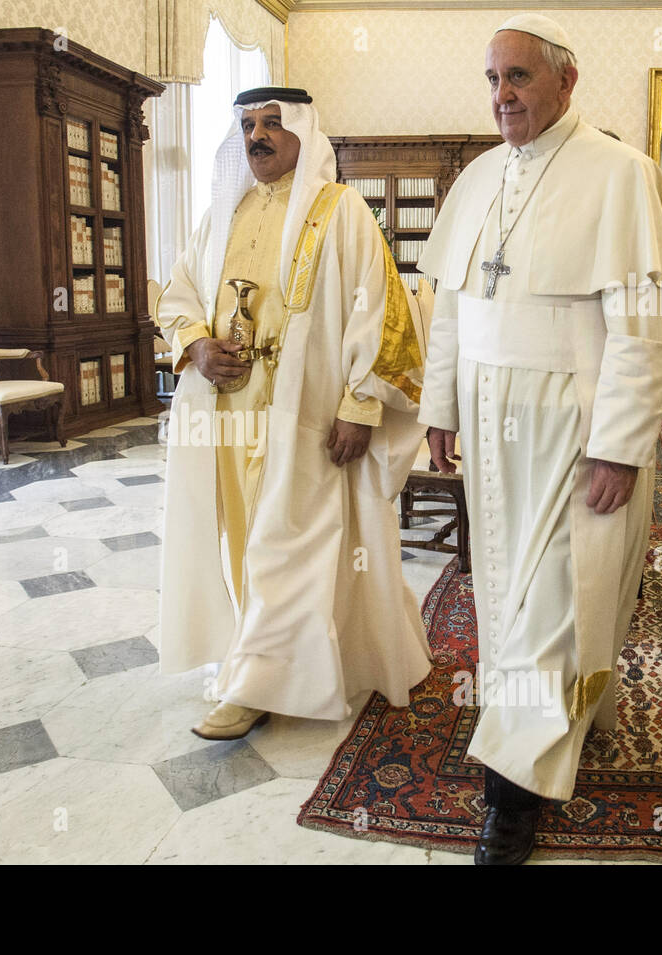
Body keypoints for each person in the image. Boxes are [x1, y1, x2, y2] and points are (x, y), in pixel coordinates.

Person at [417, 14, 662, 864]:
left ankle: (512, 792)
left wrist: (619, 443)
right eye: (493, 79)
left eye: (520, 78)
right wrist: (441, 406)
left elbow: (644, 327)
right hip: (491, 421)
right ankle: (544, 719)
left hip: (572, 423)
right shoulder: (477, 176)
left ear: (567, 82)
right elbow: (455, 304)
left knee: (557, 594)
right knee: (507, 596)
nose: (502, 95)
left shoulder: (622, 174)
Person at [155, 87, 430, 740]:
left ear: (304, 132)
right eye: (248, 124)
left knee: (287, 544)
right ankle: (294, 656)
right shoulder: (222, 214)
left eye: (273, 123)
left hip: (307, 416)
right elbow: (178, 291)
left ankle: (255, 684)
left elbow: (383, 316)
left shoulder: (342, 214)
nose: (257, 136)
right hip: (232, 414)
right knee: (250, 542)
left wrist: (361, 404)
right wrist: (195, 342)